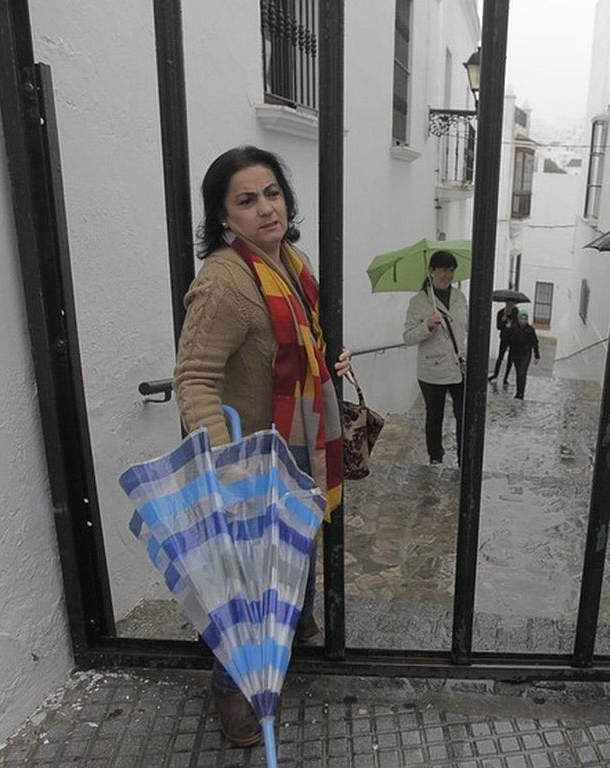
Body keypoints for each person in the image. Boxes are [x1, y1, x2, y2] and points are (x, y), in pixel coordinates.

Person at [173, 145, 351, 747]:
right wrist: (222, 463)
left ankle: (290, 627)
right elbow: (194, 377)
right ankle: (232, 689)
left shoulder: (289, 263)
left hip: (297, 444)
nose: (265, 208)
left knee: (288, 555)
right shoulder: (224, 282)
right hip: (251, 456)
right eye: (246, 201)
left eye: (272, 193)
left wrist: (328, 359)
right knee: (247, 578)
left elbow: (292, 350)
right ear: (224, 217)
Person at [403, 251, 468, 465]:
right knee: (435, 416)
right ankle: (436, 458)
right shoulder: (419, 302)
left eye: (451, 270)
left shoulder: (459, 297)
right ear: (432, 271)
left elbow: (466, 327)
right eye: (442, 269)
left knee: (463, 416)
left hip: (458, 367)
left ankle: (463, 458)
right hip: (432, 370)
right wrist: (427, 326)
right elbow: (408, 337)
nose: (447, 275)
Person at [508, 309, 540, 400]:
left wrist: (537, 355)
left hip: (525, 354)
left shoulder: (530, 330)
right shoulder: (514, 328)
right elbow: (509, 340)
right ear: (518, 319)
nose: (523, 320)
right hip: (516, 353)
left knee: (522, 373)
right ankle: (518, 392)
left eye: (525, 319)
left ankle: (521, 393)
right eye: (521, 318)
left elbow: (535, 343)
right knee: (518, 373)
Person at [488, 299, 519, 386]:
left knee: (510, 359)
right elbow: (498, 327)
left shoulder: (516, 313)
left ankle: (506, 378)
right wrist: (504, 321)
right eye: (509, 304)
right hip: (504, 338)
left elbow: (517, 326)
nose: (511, 306)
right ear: (506, 304)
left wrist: (511, 325)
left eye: (512, 305)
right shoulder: (501, 313)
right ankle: (495, 374)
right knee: (500, 357)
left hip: (513, 339)